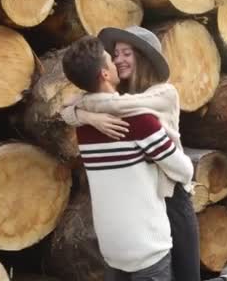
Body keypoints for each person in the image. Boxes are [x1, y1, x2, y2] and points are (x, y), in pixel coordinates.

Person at [61, 27, 227, 281]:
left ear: (144, 57)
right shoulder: (116, 100)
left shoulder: (162, 95)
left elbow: (116, 108)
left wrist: (85, 111)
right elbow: (74, 107)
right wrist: (86, 114)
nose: (118, 59)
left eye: (126, 53)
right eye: (115, 54)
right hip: (143, 204)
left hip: (171, 196)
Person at [62, 36, 192, 280]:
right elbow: (185, 171)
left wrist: (83, 113)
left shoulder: (84, 126)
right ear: (105, 74)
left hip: (112, 247)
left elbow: (71, 108)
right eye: (112, 58)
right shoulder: (141, 122)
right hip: (147, 246)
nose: (116, 61)